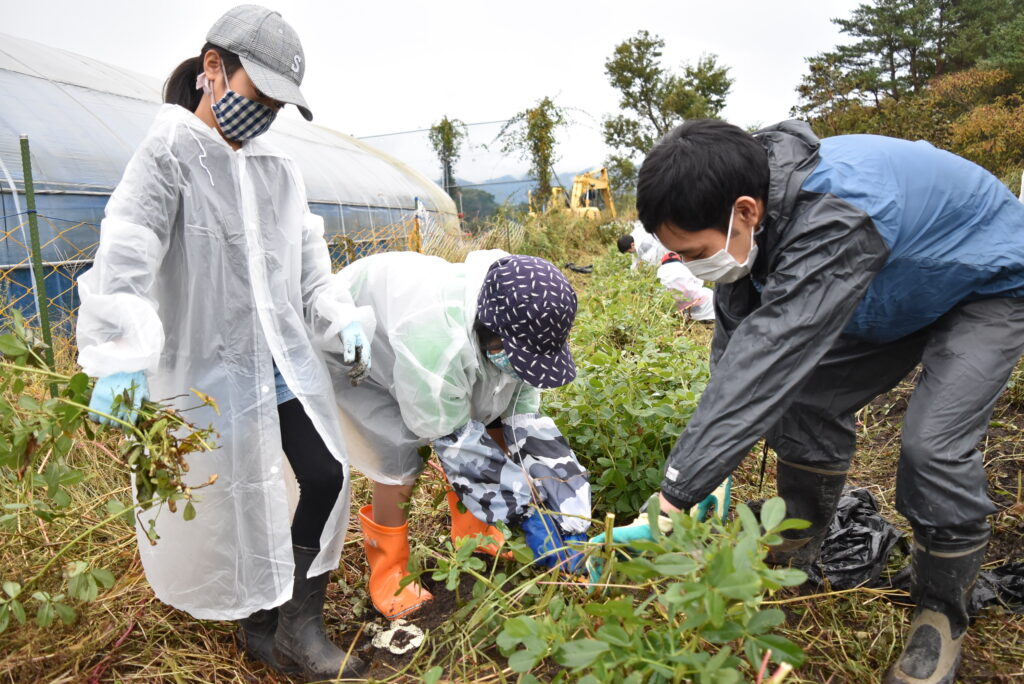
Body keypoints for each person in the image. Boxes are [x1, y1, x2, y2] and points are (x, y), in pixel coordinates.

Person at [604, 119, 1024, 684]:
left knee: (932, 447)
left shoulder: (837, 213)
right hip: (895, 283)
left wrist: (675, 496)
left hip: (983, 281)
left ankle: (942, 609)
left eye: (695, 252)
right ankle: (796, 542)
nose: (691, 265)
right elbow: (737, 354)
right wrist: (709, 471)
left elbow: (774, 352)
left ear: (746, 211)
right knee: (803, 399)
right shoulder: (746, 217)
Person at [77, 6, 369, 680]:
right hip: (211, 371)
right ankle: (256, 626)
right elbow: (126, 255)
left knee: (323, 473)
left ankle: (299, 627)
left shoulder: (278, 172)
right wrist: (119, 355)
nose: (262, 115)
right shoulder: (168, 157)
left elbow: (308, 271)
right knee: (235, 498)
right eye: (256, 97)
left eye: (275, 106)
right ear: (214, 68)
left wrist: (339, 317)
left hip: (280, 363)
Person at [327, 250, 591, 619]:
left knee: (495, 421)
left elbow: (525, 423)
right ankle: (390, 573)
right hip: (364, 344)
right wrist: (525, 515)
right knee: (401, 456)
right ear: (490, 330)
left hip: (433, 344)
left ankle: (475, 533)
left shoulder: (514, 316)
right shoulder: (437, 341)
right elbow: (456, 445)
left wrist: (570, 513)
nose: (524, 366)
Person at [657, 252, 715, 321]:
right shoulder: (685, 268)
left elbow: (659, 287)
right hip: (693, 301)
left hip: (672, 303)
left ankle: (684, 318)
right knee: (710, 294)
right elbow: (700, 283)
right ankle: (707, 318)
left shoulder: (660, 270)